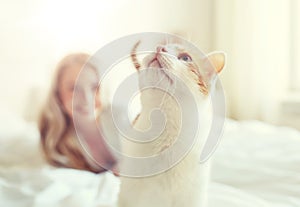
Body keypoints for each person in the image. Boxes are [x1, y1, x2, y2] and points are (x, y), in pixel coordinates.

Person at [38, 53, 117, 174]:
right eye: (74, 88)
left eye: (94, 87)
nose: (86, 99)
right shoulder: (58, 138)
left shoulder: (117, 117)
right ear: (58, 94)